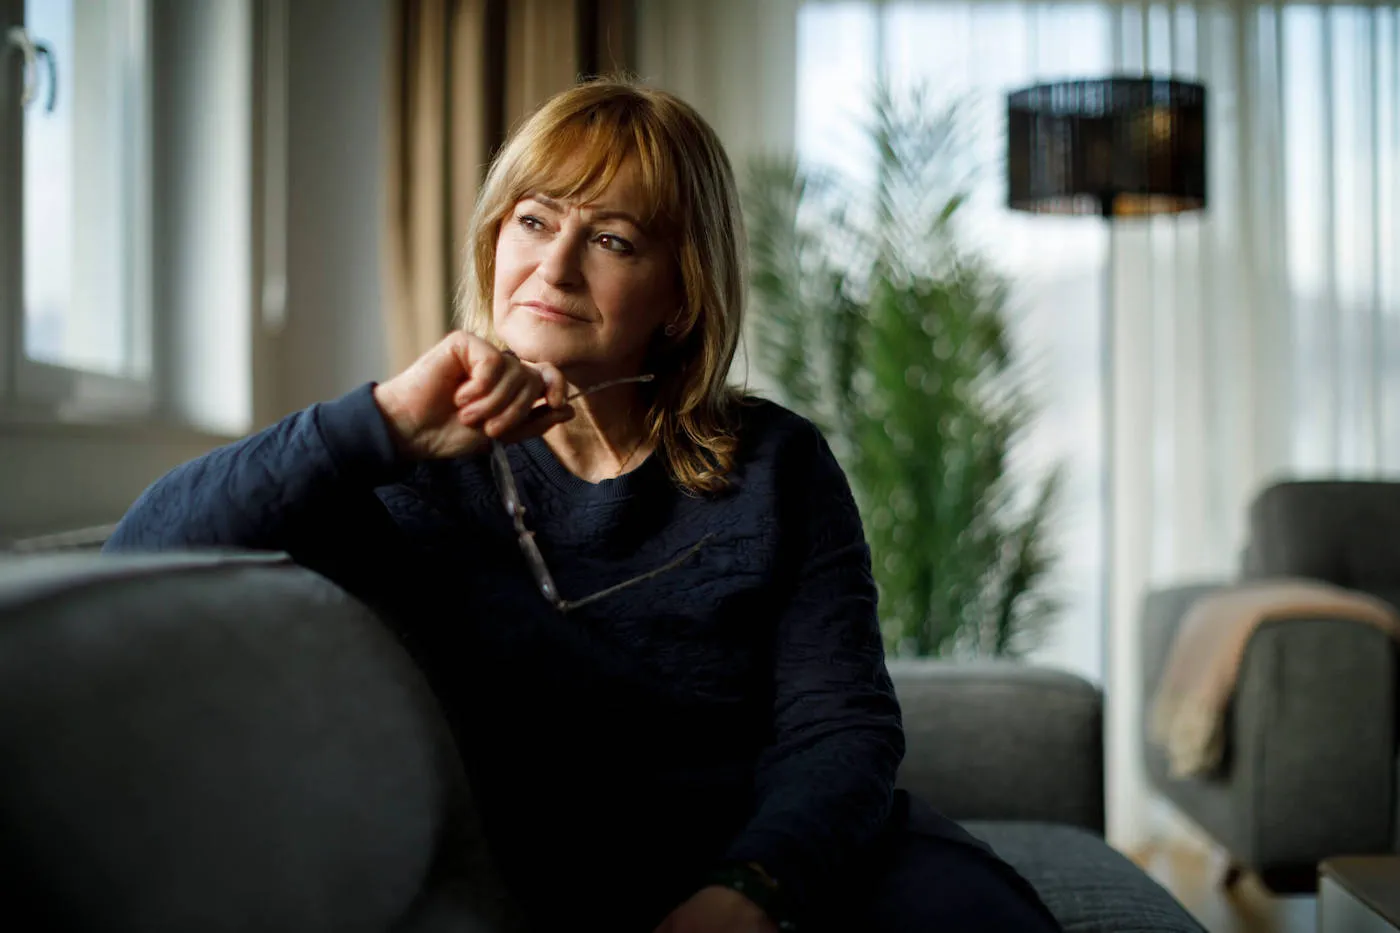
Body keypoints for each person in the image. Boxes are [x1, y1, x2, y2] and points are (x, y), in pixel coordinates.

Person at [105, 78, 1062, 933]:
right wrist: (385, 421)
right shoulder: (398, 462)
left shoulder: (779, 462)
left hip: (792, 863)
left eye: (610, 239)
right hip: (559, 885)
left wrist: (756, 887)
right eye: (532, 220)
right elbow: (142, 547)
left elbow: (841, 726)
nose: (554, 267)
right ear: (493, 239)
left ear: (680, 295)